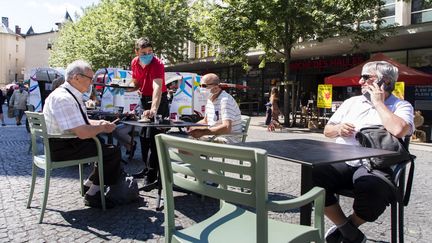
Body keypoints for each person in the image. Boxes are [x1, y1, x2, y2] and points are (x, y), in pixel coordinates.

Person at [312, 61, 414, 243]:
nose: (360, 81)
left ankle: (348, 227)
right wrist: (339, 129)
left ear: (386, 81)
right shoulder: (351, 102)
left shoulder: (401, 106)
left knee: (374, 190)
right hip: (342, 159)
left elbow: (399, 130)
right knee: (312, 176)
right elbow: (327, 131)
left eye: (367, 78)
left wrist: (378, 103)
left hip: (374, 165)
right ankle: (347, 231)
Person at [43, 60, 122, 208]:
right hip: (63, 149)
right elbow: (82, 132)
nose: (91, 82)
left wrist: (99, 123)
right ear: (76, 77)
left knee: (101, 144)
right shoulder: (64, 98)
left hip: (64, 144)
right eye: (90, 78)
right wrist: (103, 128)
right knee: (112, 152)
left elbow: (80, 122)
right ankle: (94, 195)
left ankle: (89, 184)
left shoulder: (68, 94)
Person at [129, 37, 169, 187]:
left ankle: (153, 175)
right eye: (144, 52)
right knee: (143, 137)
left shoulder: (157, 64)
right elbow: (136, 82)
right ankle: (146, 169)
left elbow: (157, 87)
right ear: (136, 52)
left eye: (150, 52)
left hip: (159, 100)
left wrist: (153, 109)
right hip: (144, 98)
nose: (148, 54)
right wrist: (128, 87)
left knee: (154, 137)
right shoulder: (134, 62)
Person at [187, 73, 242, 143]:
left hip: (227, 139)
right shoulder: (210, 99)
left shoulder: (225, 100)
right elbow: (206, 121)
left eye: (204, 86)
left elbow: (227, 128)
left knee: (187, 144)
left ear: (216, 87)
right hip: (214, 136)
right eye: (200, 85)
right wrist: (192, 127)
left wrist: (203, 132)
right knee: (185, 143)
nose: (201, 88)